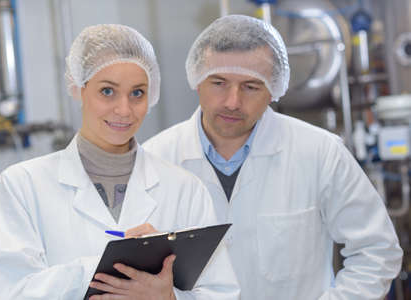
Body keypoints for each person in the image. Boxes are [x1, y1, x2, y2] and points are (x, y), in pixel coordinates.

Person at [143, 15, 403, 299]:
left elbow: (376, 250)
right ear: (197, 81)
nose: (233, 101)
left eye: (251, 87)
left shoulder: (319, 152)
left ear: (274, 90)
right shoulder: (155, 159)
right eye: (219, 83)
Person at [0, 24, 240, 300]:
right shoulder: (22, 185)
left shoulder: (185, 188)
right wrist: (101, 271)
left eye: (137, 93)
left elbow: (221, 293)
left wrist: (168, 297)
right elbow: (8, 292)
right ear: (79, 88)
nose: (124, 110)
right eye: (107, 91)